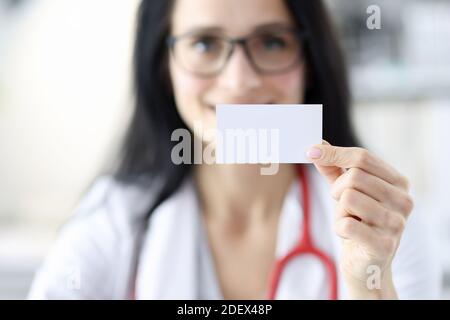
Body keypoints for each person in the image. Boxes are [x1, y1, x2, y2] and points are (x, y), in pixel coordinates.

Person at [28, 0, 441, 299]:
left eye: (272, 42)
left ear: (311, 62)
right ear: (163, 66)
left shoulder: (383, 224)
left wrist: (371, 285)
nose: (239, 80)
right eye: (205, 44)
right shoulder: (112, 221)